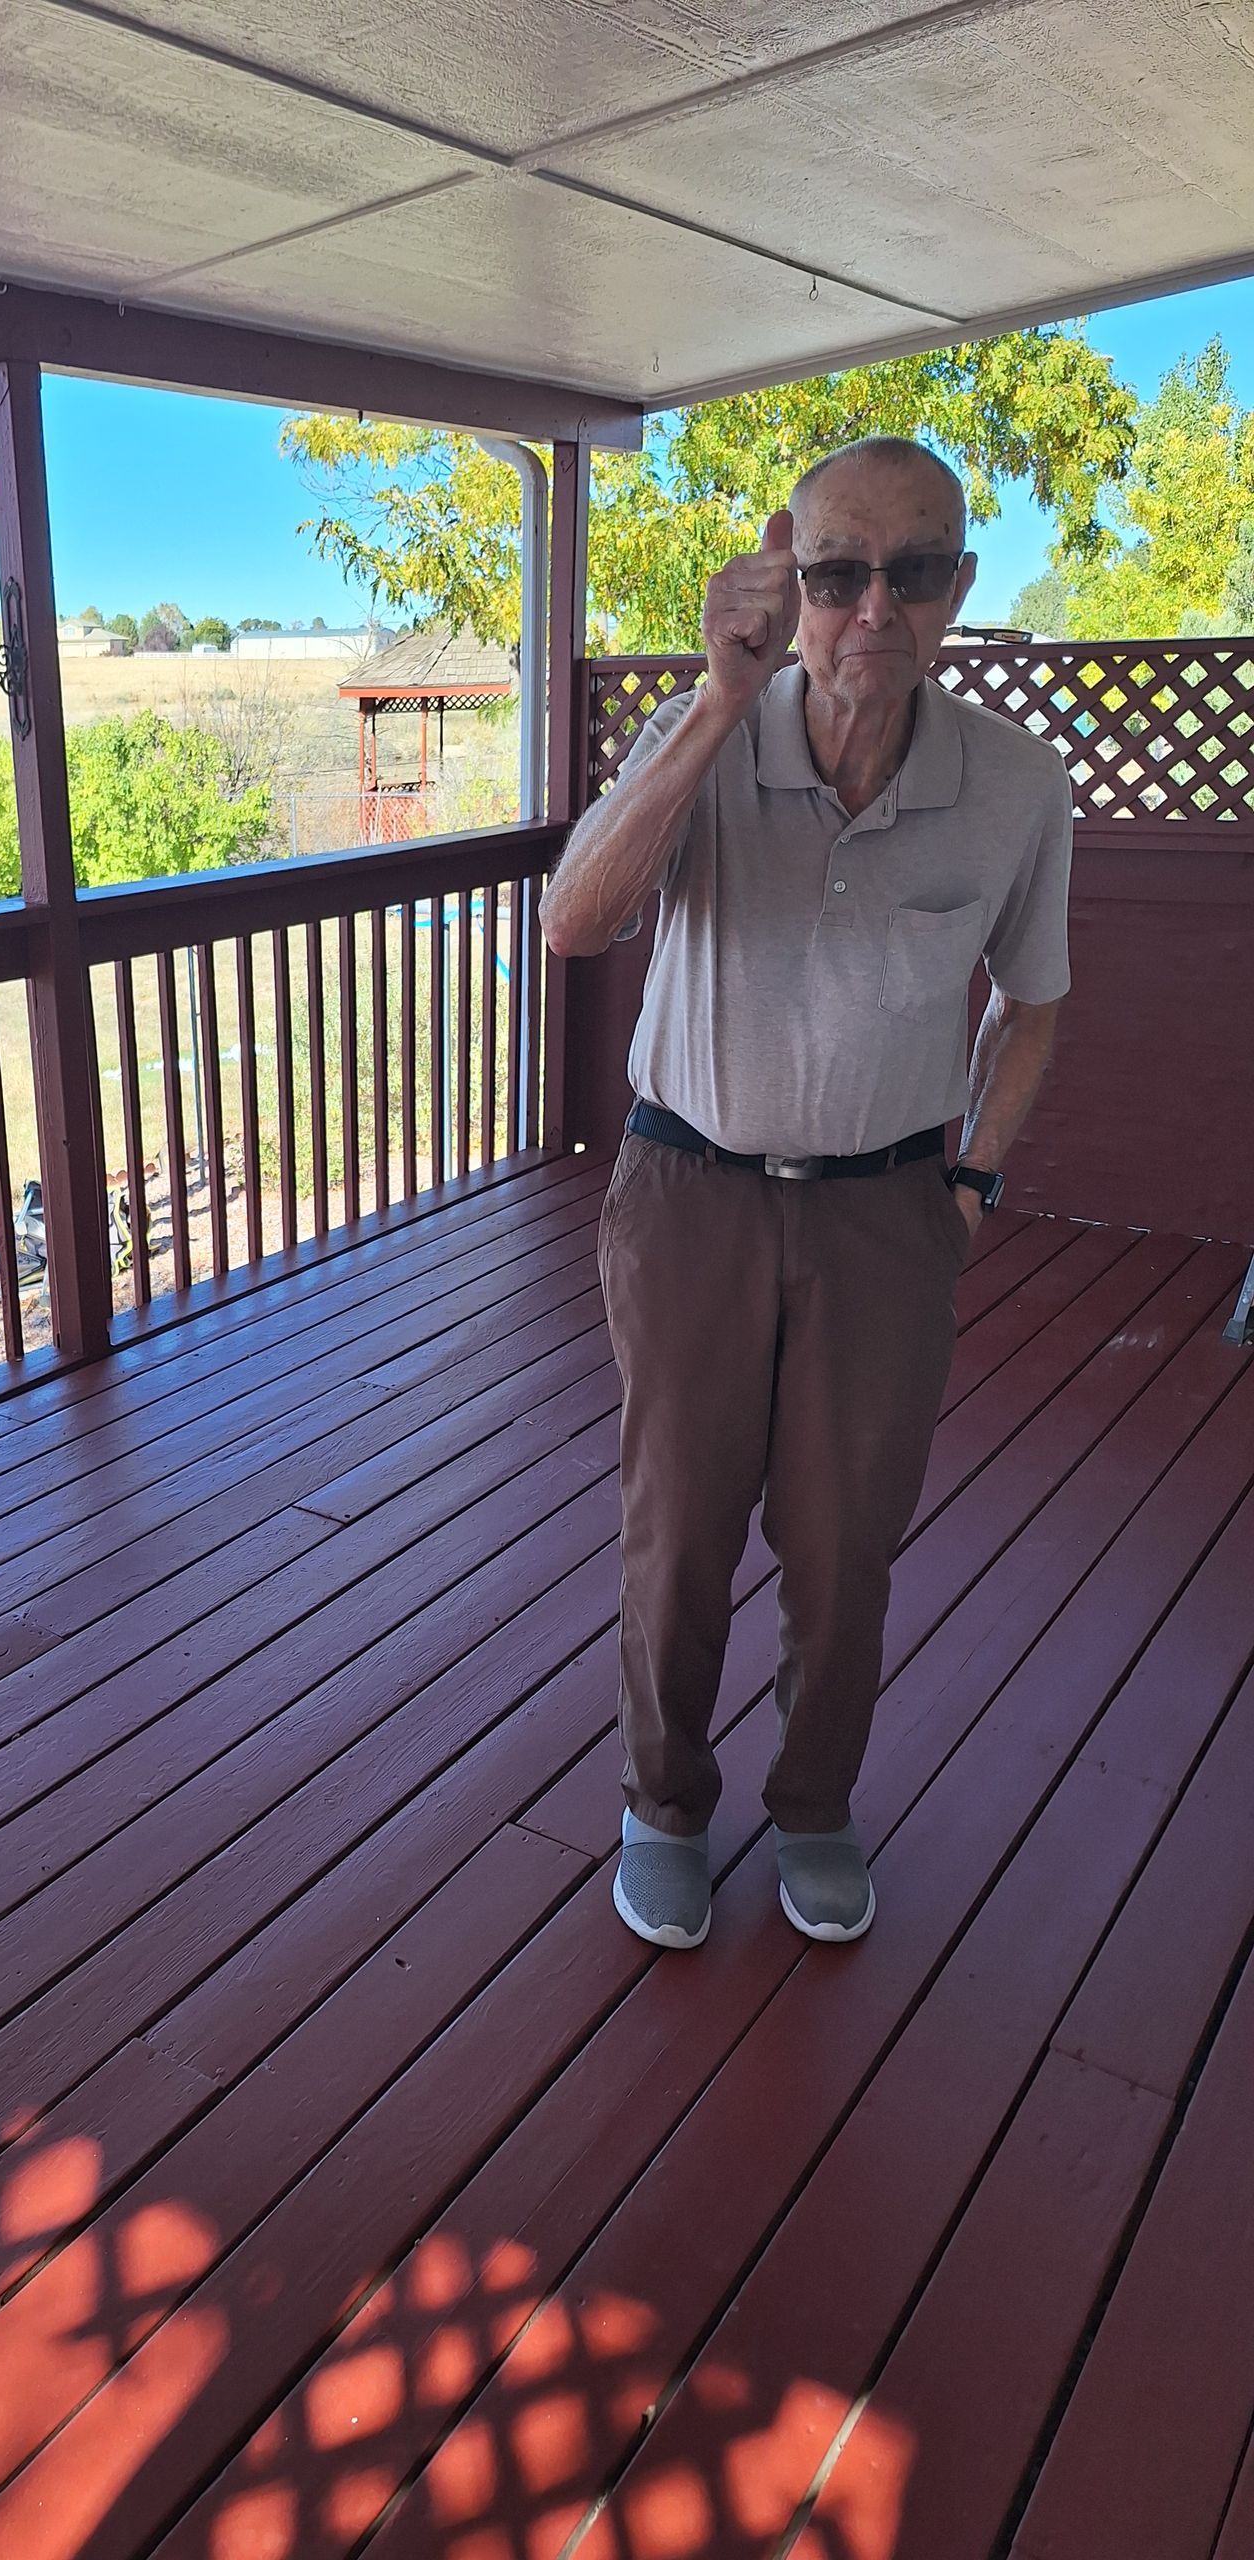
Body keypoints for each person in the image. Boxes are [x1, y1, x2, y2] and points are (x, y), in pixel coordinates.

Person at [541, 436, 1070, 1951]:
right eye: (838, 574)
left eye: (913, 574)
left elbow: (1031, 1002)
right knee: (680, 1529)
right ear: (791, 576)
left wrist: (967, 1177)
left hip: (887, 1209)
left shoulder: (1015, 785)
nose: (872, 611)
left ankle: (819, 1807)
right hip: (691, 1191)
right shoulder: (705, 734)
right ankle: (665, 1803)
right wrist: (715, 702)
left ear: (959, 588)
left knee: (849, 1543)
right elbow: (577, 925)